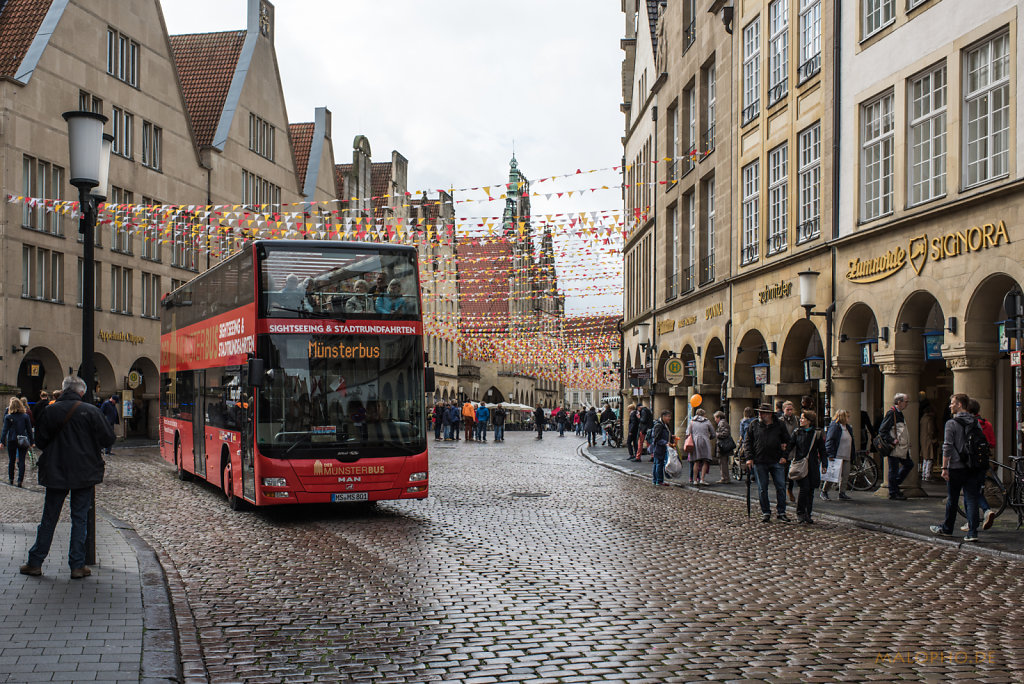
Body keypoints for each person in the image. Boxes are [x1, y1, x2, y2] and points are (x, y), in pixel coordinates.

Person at [20, 375, 115, 579]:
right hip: (84, 472)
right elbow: (108, 438)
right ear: (81, 392)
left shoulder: (50, 410)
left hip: (56, 470)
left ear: (63, 390)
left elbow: (41, 441)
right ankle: (77, 565)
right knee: (79, 519)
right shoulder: (91, 411)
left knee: (49, 518)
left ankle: (35, 562)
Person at [930, 393, 988, 542]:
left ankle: (947, 528)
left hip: (956, 466)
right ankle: (972, 532)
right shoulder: (975, 422)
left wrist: (944, 467)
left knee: (953, 499)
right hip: (972, 466)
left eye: (952, 403)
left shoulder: (951, 423)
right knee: (971, 498)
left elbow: (947, 446)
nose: (950, 406)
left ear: (960, 405)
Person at [745, 403, 791, 523]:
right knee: (762, 488)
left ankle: (781, 512)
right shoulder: (754, 425)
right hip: (760, 461)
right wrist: (749, 458)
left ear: (770, 414)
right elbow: (748, 442)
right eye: (759, 412)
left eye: (763, 412)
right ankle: (766, 511)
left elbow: (788, 441)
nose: (760, 414)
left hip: (776, 460)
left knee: (781, 487)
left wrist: (784, 456)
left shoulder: (779, 425)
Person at [961, 399, 997, 533]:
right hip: (984, 461)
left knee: (970, 492)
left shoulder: (970, 424)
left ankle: (978, 517)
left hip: (971, 462)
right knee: (977, 490)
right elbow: (992, 443)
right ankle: (974, 519)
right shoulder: (986, 423)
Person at [787, 410, 827, 524]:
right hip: (801, 465)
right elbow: (790, 446)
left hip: (813, 465)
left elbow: (822, 450)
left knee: (811, 490)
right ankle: (800, 513)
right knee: (804, 489)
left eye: (803, 418)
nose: (800, 420)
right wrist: (784, 457)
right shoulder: (797, 432)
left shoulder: (816, 434)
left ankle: (808, 513)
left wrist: (824, 464)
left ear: (809, 421)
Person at [878, 393, 913, 500]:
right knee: (894, 469)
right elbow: (882, 431)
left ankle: (894, 486)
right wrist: (892, 440)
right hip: (894, 447)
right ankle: (893, 491)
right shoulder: (892, 413)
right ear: (899, 402)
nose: (907, 404)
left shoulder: (899, 413)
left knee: (908, 464)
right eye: (906, 401)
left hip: (901, 447)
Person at [822, 409, 854, 500]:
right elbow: (830, 440)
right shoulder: (835, 426)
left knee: (845, 475)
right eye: (847, 416)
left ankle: (842, 493)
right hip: (837, 455)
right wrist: (830, 454)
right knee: (833, 475)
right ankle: (824, 491)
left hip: (846, 454)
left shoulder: (848, 428)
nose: (849, 418)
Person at [2, 398, 34, 487]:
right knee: (22, 460)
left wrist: (2, 442)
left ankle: (11, 479)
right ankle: (20, 480)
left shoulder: (8, 417)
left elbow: (4, 430)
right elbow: (29, 430)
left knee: (11, 460)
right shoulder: (25, 416)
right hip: (23, 439)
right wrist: (31, 441)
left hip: (11, 439)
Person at [686, 408, 716, 485]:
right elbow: (713, 433)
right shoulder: (707, 422)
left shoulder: (692, 422)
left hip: (695, 442)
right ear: (704, 414)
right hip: (705, 441)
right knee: (705, 461)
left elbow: (687, 433)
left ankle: (695, 480)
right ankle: (702, 479)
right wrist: (709, 437)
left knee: (696, 461)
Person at [650, 410, 675, 486]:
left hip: (660, 447)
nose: (669, 418)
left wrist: (671, 437)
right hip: (659, 448)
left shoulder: (664, 424)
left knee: (657, 463)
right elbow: (657, 438)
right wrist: (666, 443)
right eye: (668, 416)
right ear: (663, 416)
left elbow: (664, 435)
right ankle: (659, 480)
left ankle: (655, 480)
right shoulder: (659, 425)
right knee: (659, 464)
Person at [919, 402, 939, 482]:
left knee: (925, 458)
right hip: (928, 440)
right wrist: (934, 439)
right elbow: (931, 430)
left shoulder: (922, 418)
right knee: (930, 458)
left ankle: (924, 474)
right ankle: (928, 475)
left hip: (923, 439)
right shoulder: (929, 419)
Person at [714, 411, 733, 484]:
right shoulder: (723, 423)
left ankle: (725, 478)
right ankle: (724, 477)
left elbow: (725, 433)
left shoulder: (722, 423)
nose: (715, 420)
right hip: (723, 445)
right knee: (722, 462)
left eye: (715, 418)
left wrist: (717, 434)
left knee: (723, 462)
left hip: (723, 446)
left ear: (718, 417)